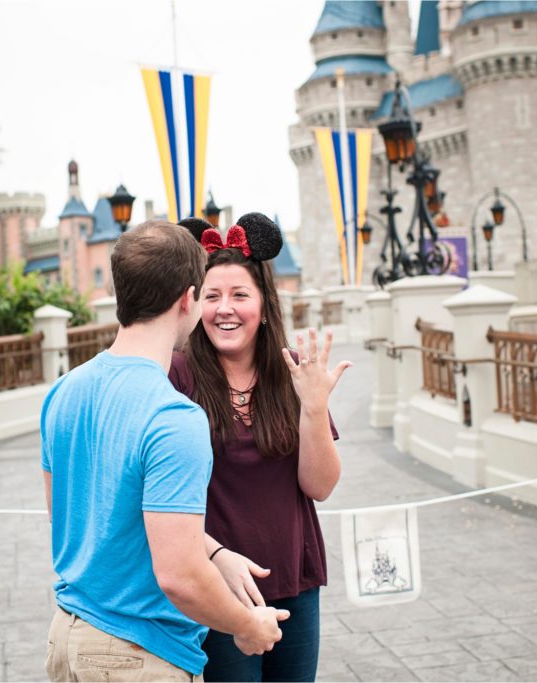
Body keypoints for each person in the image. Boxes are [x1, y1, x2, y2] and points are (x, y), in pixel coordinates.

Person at [41, 221, 289, 683]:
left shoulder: (64, 391)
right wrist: (247, 625)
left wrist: (214, 552)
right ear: (187, 298)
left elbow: (72, 516)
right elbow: (178, 576)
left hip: (67, 639)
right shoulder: (174, 417)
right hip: (136, 654)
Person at [172, 213, 352, 682]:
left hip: (295, 580)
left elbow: (320, 485)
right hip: (217, 588)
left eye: (239, 295)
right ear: (194, 306)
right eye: (211, 296)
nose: (224, 308)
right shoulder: (177, 376)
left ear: (265, 307)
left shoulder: (293, 372)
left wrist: (313, 406)